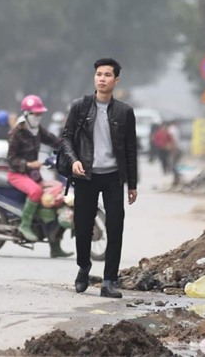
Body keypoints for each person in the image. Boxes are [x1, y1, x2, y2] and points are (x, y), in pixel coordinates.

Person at [61, 57, 138, 298]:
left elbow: (130, 149)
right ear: (94, 78)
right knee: (83, 228)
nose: (102, 79)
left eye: (107, 75)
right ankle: (84, 267)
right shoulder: (80, 107)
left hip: (114, 177)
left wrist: (132, 184)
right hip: (86, 176)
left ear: (116, 80)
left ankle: (108, 281)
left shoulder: (125, 112)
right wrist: (74, 161)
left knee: (115, 228)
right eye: (98, 74)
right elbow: (66, 138)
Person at [7, 94, 71, 258]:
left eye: (40, 114)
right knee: (36, 192)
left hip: (33, 174)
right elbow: (11, 159)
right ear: (27, 114)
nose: (38, 117)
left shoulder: (37, 130)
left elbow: (53, 140)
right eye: (35, 114)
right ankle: (25, 225)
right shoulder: (17, 132)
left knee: (58, 192)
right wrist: (28, 164)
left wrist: (70, 148)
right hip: (17, 174)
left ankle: (54, 246)